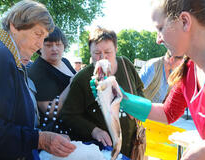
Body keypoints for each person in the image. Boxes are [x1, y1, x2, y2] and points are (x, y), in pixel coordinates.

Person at [91, 0, 205, 159]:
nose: (158, 39)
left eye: (160, 28)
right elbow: (168, 112)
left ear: (185, 21)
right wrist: (120, 98)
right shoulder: (188, 70)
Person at [0, 1, 76, 159]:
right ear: (14, 25)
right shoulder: (0, 57)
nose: (39, 45)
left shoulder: (8, 56)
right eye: (38, 34)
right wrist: (40, 139)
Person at [60, 26, 144, 157]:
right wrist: (94, 130)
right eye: (97, 53)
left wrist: (136, 109)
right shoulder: (82, 79)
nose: (102, 57)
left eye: (108, 52)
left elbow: (139, 88)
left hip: (131, 147)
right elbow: (68, 115)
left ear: (116, 50)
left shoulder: (126, 65)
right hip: (101, 152)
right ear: (90, 52)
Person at [28, 26, 76, 131]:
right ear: (39, 47)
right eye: (48, 45)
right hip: (59, 132)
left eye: (58, 44)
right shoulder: (37, 70)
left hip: (76, 121)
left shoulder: (65, 61)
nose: (54, 49)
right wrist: (73, 84)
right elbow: (50, 112)